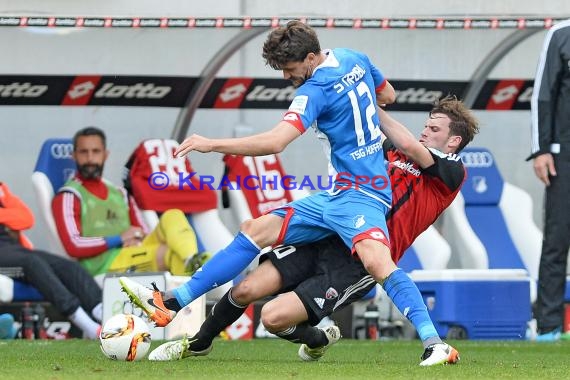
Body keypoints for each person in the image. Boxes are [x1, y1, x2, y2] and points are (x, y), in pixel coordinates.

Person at [124, 92, 476, 366]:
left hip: (356, 259)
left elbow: (407, 143)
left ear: (453, 141)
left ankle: (328, 340)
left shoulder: (450, 171)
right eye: (426, 125)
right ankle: (195, 338)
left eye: (434, 128)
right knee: (248, 285)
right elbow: (362, 136)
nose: (424, 130)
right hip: (328, 229)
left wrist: (368, 98)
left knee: (274, 319)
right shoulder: (392, 154)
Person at [52, 127, 207, 277]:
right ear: (74, 155)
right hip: (102, 265)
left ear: (105, 155)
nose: (90, 158)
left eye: (96, 151)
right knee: (168, 253)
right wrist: (119, 239)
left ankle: (191, 259)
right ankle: (197, 273)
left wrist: (136, 238)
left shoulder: (121, 193)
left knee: (173, 214)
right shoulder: (68, 196)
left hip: (133, 253)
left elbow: (144, 231)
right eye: (84, 152)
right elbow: (73, 246)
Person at [0, 181, 102, 338]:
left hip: (14, 249)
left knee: (68, 267)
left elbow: (26, 218)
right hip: (8, 255)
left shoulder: (1, 188)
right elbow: (18, 217)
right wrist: (7, 218)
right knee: (32, 263)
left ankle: (105, 315)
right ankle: (89, 327)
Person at [528, 19, 570, 342]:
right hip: (563, 157)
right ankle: (549, 327)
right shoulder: (560, 34)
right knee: (557, 240)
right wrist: (541, 150)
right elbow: (542, 95)